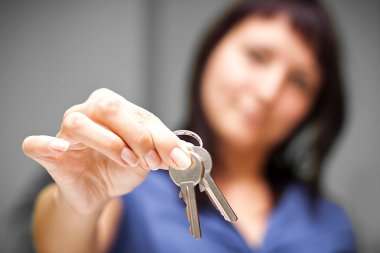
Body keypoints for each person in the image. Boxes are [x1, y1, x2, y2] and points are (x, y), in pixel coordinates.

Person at [22, 0, 356, 252]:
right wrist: (77, 205)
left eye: (299, 81)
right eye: (257, 56)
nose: (269, 92)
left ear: (313, 108)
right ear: (211, 52)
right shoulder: (126, 181)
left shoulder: (332, 224)